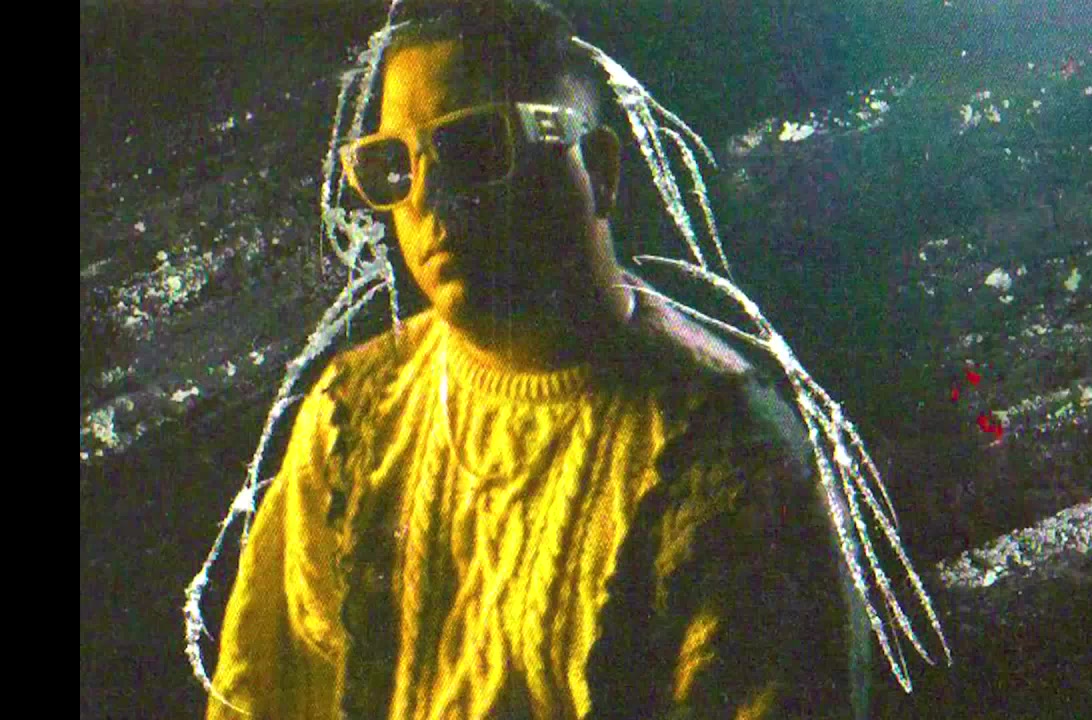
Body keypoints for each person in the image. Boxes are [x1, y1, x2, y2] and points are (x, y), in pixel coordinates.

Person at [207, 2, 869, 718]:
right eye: (393, 165)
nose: (429, 197)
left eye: (476, 148)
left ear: (599, 169)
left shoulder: (727, 455)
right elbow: (256, 696)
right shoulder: (351, 413)